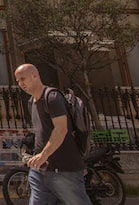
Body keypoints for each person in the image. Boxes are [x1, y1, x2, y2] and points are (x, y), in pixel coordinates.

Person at [14, 63, 90, 205]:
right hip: (40, 170)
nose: (20, 84)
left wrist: (43, 155)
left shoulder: (52, 97)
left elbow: (61, 129)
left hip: (63, 169)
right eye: (18, 81)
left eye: (22, 79)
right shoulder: (32, 102)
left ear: (34, 75)